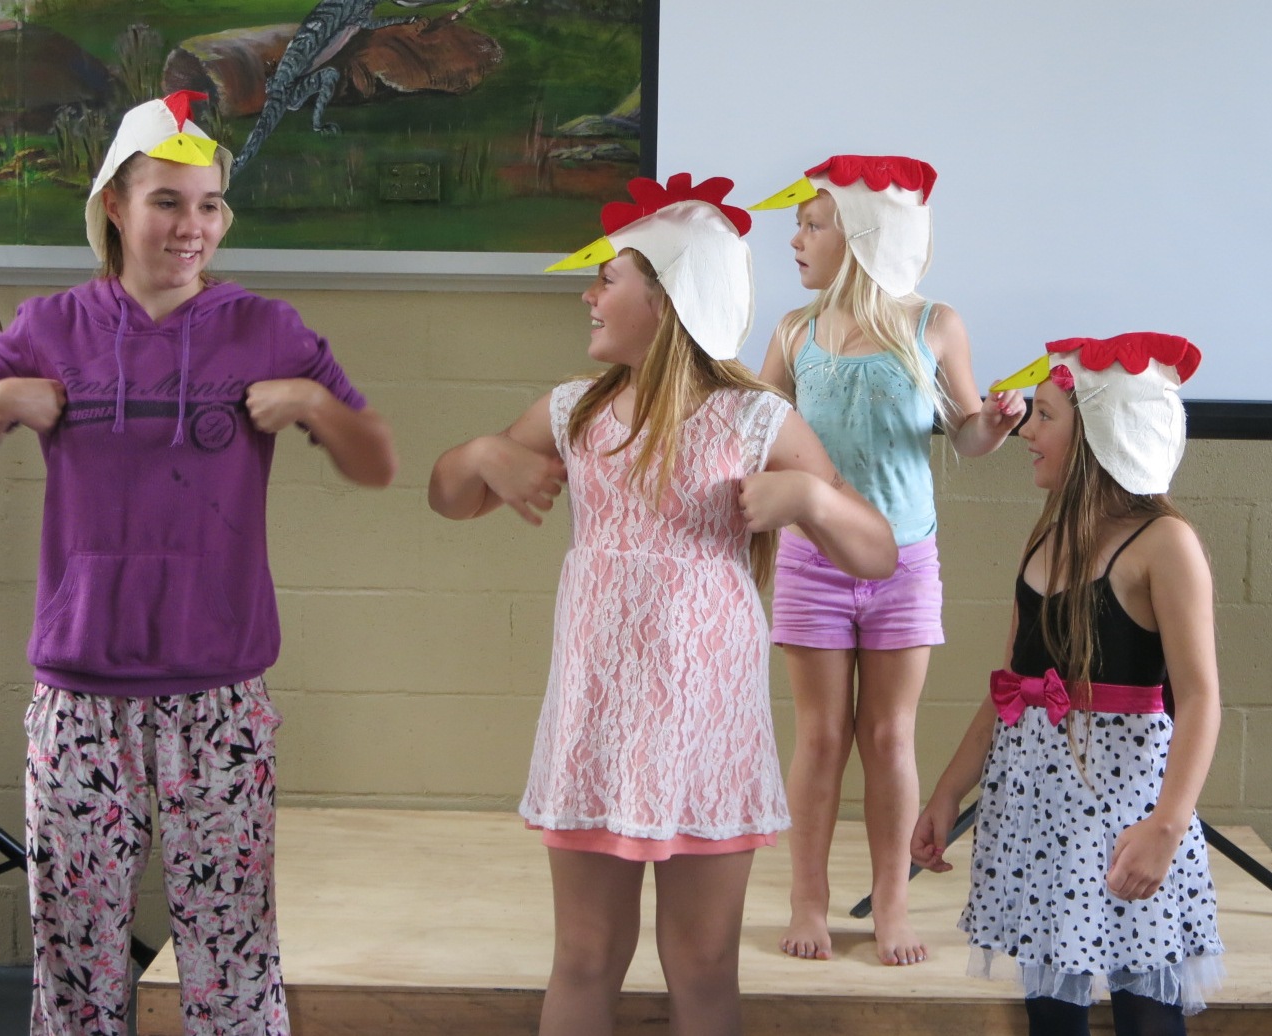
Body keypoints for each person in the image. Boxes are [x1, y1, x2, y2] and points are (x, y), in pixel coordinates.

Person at [0, 90, 397, 1036]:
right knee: (74, 953)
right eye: (167, 201)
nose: (191, 226)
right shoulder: (48, 324)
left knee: (232, 950)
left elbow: (375, 461)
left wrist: (312, 402)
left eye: (209, 204)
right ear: (114, 206)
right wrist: (1, 403)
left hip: (221, 694)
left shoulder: (265, 327)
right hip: (79, 693)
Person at [428, 173, 897, 1036]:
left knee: (704, 963)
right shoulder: (575, 412)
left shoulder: (755, 420)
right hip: (597, 729)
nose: (588, 294)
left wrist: (812, 500)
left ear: (668, 299)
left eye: (606, 279)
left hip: (706, 734)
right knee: (584, 956)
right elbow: (448, 497)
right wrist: (482, 453)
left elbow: (875, 555)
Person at [748, 155, 1025, 965]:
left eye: (812, 225)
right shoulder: (793, 331)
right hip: (811, 562)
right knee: (820, 739)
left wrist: (993, 425)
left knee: (888, 738)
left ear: (865, 238)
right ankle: (807, 901)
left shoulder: (934, 324)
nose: (795, 240)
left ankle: (891, 908)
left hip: (904, 564)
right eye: (799, 225)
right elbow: (757, 430)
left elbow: (966, 434)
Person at [911, 334, 1224, 1035]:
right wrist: (947, 792)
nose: (1026, 430)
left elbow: (1201, 698)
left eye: (1045, 416)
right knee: (1051, 1011)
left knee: (1147, 1010)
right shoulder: (1043, 539)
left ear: (1100, 434)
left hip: (1129, 818)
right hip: (1040, 817)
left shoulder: (1163, 544)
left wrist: (1167, 824)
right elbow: (1011, 689)